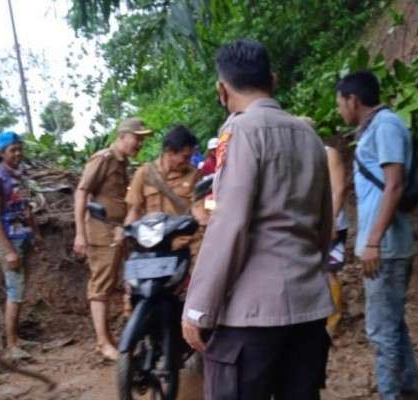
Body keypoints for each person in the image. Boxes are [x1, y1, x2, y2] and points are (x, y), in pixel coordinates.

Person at [181, 39, 334, 400]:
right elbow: (324, 223)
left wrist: (198, 308)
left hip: (251, 318)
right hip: (308, 310)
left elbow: (230, 225)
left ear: (222, 89)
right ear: (274, 80)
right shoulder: (309, 136)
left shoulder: (241, 132)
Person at [336, 70, 418, 400]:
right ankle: (409, 389)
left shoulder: (386, 126)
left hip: (384, 247)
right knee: (393, 326)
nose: (339, 110)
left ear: (353, 100)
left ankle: (392, 394)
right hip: (383, 244)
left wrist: (372, 241)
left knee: (381, 331)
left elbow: (394, 184)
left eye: (340, 103)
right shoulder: (376, 128)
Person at [73, 117, 151, 361]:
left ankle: (110, 338)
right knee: (101, 286)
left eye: (141, 139)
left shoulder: (123, 163)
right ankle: (102, 343)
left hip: (118, 231)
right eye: (137, 138)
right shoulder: (103, 159)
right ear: (123, 136)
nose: (139, 143)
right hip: (100, 230)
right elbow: (82, 192)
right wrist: (80, 233)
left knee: (119, 283)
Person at [0, 131, 42, 360]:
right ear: (1, 153)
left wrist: (35, 232)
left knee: (19, 289)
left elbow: (26, 208)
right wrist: (8, 250)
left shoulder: (20, 176)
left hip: (24, 236)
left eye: (20, 149)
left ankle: (17, 339)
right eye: (13, 150)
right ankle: (11, 344)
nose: (18, 153)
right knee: (15, 290)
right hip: (10, 240)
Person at [298, 116, 349, 337]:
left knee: (329, 271)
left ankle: (333, 320)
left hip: (330, 223)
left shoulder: (328, 153)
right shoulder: (302, 156)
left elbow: (338, 189)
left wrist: (332, 221)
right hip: (310, 222)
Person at [124, 125, 209, 253]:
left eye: (190, 157)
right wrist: (128, 235)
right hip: (152, 244)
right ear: (169, 152)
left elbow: (199, 207)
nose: (188, 161)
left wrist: (205, 224)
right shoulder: (144, 173)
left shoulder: (194, 175)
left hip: (185, 242)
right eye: (185, 157)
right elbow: (134, 210)